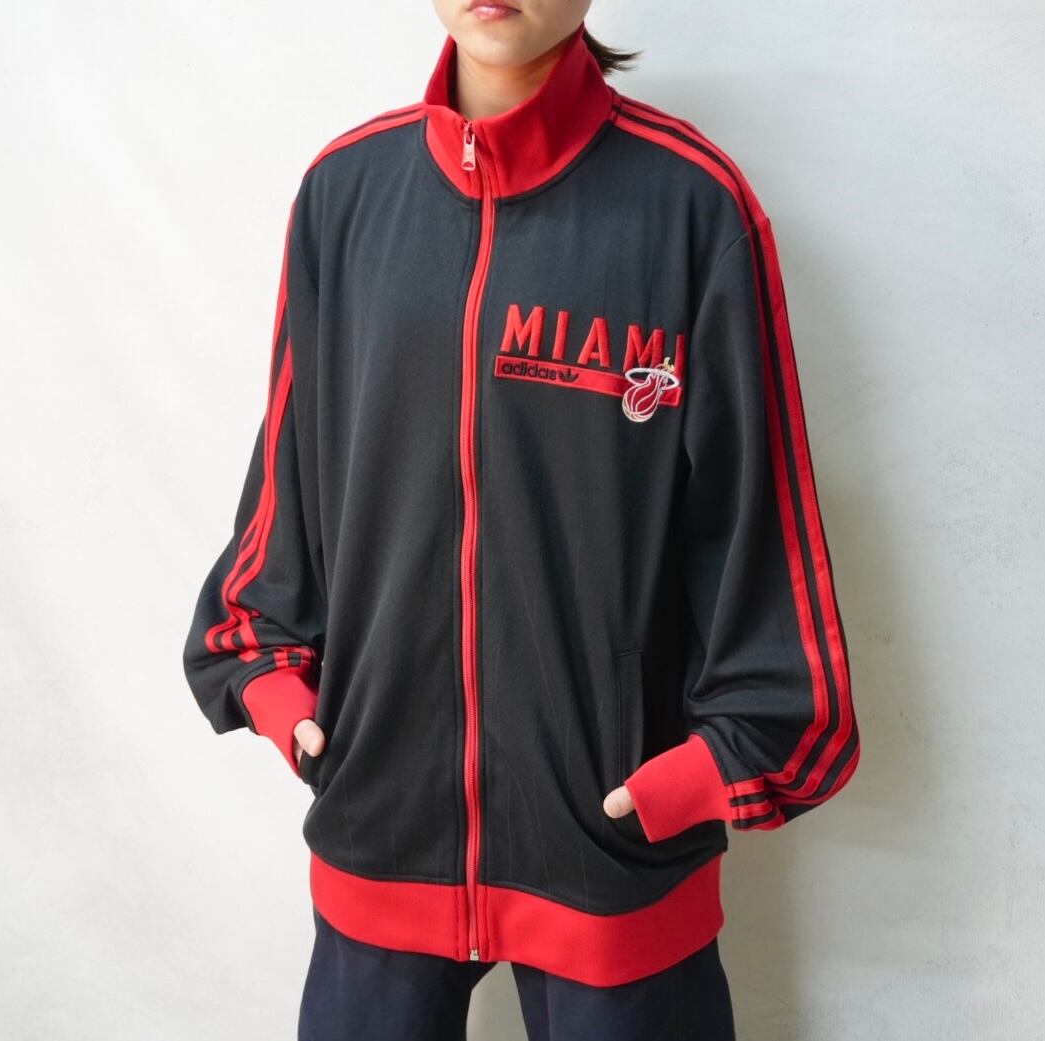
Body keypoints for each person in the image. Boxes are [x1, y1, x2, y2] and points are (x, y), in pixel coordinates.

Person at [182, 2, 861, 1038]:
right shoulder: (345, 193)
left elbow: (753, 518)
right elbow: (292, 469)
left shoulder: (689, 204)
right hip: (378, 829)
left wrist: (721, 757)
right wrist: (273, 680)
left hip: (616, 849)